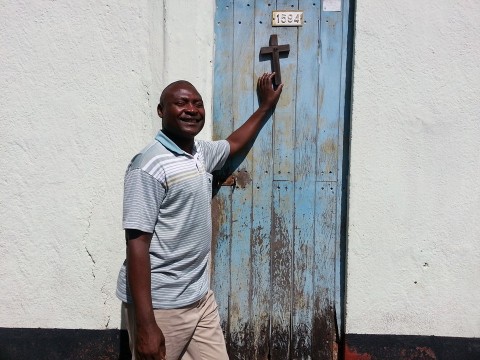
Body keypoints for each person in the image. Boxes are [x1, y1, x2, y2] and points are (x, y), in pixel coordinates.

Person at [116, 73, 283, 360]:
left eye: (197, 103)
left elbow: (233, 143)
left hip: (199, 297)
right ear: (161, 111)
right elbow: (137, 244)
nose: (192, 109)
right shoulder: (148, 166)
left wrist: (266, 107)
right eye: (181, 103)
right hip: (163, 304)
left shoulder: (199, 153)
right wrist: (146, 326)